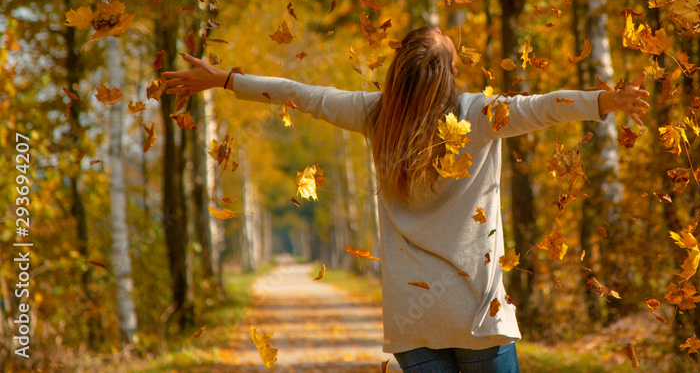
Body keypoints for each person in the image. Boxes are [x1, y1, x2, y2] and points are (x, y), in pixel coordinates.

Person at [162, 26, 649, 372]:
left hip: (411, 321)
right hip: (478, 314)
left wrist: (225, 79)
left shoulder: (374, 114)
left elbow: (301, 94)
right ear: (448, 74)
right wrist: (606, 101)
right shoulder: (480, 114)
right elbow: (543, 108)